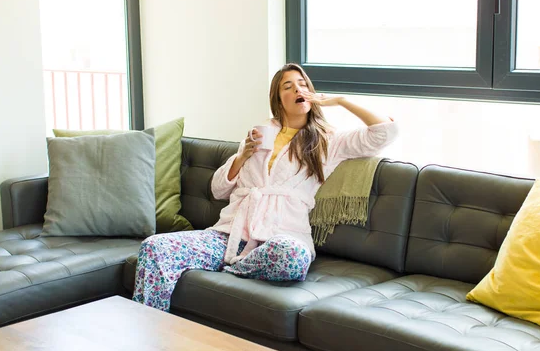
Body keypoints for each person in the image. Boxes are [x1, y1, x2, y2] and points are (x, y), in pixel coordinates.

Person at [132, 63, 398, 311]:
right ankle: (152, 327)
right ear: (278, 99)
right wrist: (242, 157)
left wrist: (340, 101)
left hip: (278, 239)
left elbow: (385, 132)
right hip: (228, 236)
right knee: (155, 247)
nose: (298, 90)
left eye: (303, 84)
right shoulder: (258, 134)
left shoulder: (327, 141)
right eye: (289, 86)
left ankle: (233, 268)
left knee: (293, 257)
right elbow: (218, 190)